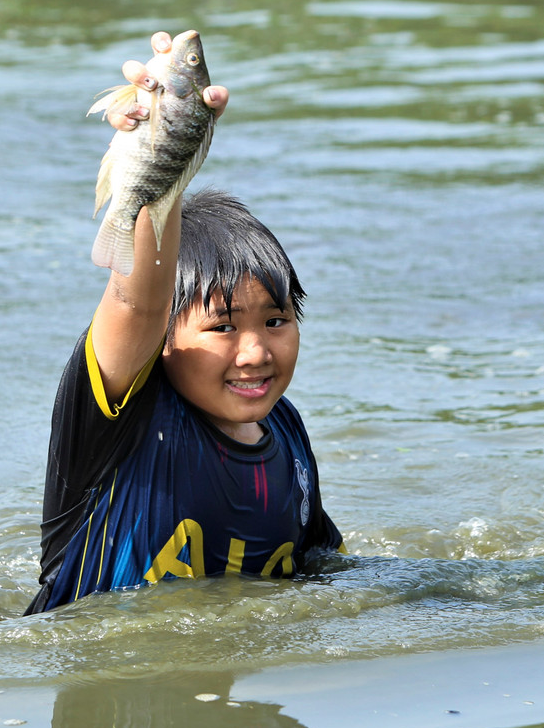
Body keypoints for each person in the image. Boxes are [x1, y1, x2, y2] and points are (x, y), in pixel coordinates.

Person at [25, 32, 343, 615]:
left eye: (276, 320)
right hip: (100, 691)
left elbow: (324, 574)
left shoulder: (289, 439)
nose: (254, 353)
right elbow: (137, 304)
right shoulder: (123, 416)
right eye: (223, 327)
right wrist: (161, 151)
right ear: (163, 342)